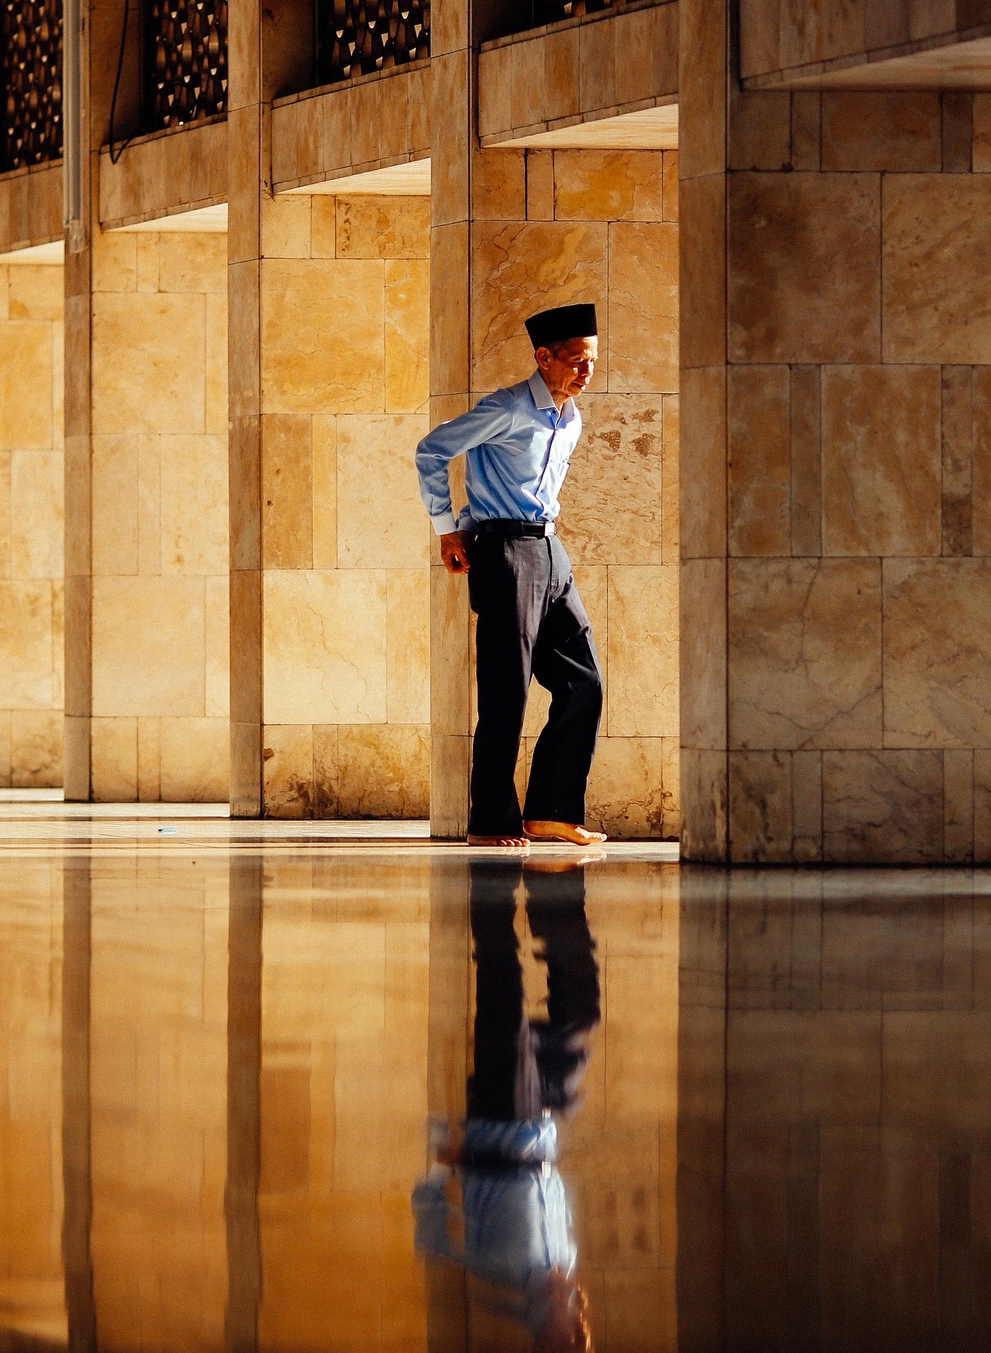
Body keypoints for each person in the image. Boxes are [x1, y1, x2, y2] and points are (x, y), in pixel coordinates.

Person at [414, 303, 609, 851]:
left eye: (591, 361)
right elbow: (432, 451)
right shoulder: (506, 409)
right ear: (543, 358)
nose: (586, 373)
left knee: (583, 681)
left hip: (550, 550)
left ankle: (550, 811)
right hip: (503, 549)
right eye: (575, 361)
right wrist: (448, 530)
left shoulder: (570, 418)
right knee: (508, 691)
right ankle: (491, 820)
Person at [415, 859, 600, 1352]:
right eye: (581, 1338)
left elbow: (432, 1236)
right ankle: (553, 899)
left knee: (503, 986)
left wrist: (441, 1159)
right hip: (542, 1120)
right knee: (582, 1008)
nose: (579, 1330)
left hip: (500, 1116)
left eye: (570, 1341)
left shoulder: (496, 1272)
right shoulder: (566, 1261)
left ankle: (490, 889)